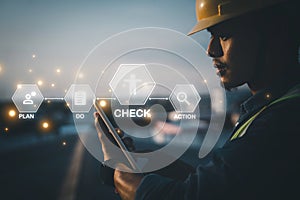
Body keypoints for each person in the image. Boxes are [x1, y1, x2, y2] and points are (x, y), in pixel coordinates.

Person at [95, 0, 300, 199]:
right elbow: (225, 188)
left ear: (276, 33)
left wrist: (119, 167)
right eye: (212, 36)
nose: (211, 50)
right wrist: (154, 163)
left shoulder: (281, 123)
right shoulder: (273, 109)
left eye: (224, 35)